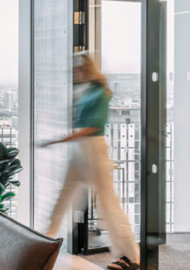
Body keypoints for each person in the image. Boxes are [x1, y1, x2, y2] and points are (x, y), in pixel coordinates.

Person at [42, 53, 139, 270]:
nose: (75, 73)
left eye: (78, 69)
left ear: (87, 69)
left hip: (93, 149)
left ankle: (131, 258)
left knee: (108, 205)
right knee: (62, 198)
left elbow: (91, 128)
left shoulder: (100, 93)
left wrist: (57, 140)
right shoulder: (85, 91)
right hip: (79, 150)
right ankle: (42, 244)